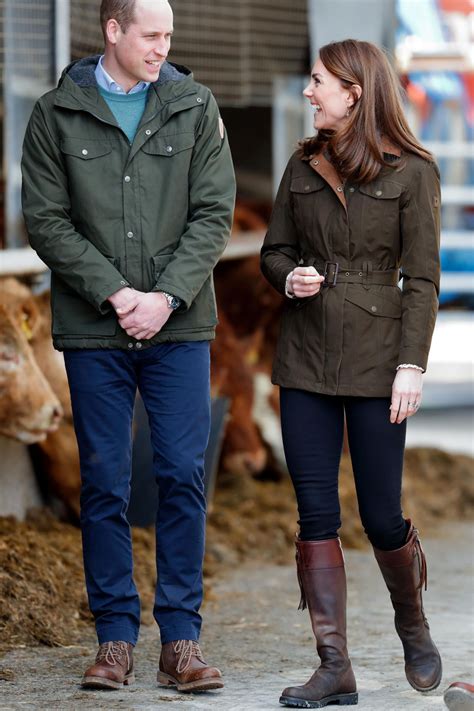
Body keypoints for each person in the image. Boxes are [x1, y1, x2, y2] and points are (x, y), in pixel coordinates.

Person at [21, 0, 235, 693]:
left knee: (181, 474)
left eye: (168, 35)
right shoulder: (57, 113)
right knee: (104, 482)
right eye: (152, 35)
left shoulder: (195, 105)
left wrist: (165, 297)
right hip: (94, 329)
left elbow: (214, 214)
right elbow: (45, 220)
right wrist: (117, 295)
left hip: (178, 327)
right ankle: (115, 637)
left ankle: (181, 640)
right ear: (113, 31)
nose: (162, 48)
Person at [261, 39, 441, 708]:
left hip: (377, 359)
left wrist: (410, 364)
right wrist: (289, 275)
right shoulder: (302, 165)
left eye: (318, 82)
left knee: (381, 514)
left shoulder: (413, 171)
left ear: (355, 92)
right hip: (305, 356)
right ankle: (334, 665)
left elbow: (422, 278)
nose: (309, 92)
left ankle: (412, 623)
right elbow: (274, 249)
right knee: (315, 511)